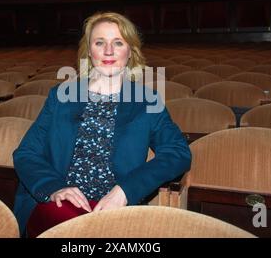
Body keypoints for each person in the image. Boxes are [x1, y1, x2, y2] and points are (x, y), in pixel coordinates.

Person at [12, 12, 191, 236]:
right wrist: (54, 187)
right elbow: (26, 153)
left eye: (118, 42)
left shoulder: (147, 101)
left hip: (115, 210)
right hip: (58, 207)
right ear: (89, 50)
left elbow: (178, 152)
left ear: (130, 51)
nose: (108, 51)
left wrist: (125, 191)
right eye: (100, 42)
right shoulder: (61, 96)